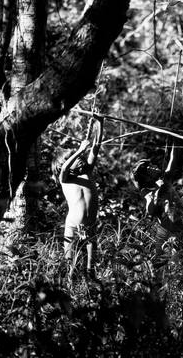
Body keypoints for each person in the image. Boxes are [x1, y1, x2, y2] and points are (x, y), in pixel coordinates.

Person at [52, 116, 104, 277]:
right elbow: (64, 169)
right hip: (73, 226)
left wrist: (100, 123)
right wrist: (80, 150)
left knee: (91, 268)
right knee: (70, 266)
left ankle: (91, 290)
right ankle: (69, 288)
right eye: (76, 159)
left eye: (81, 157)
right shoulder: (65, 179)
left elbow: (96, 147)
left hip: (90, 225)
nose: (81, 159)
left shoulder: (87, 173)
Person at [132, 144, 183, 277]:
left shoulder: (164, 179)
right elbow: (150, 210)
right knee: (160, 265)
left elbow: (173, 159)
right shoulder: (147, 191)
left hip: (181, 226)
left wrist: (175, 142)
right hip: (166, 231)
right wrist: (158, 193)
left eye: (151, 164)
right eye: (148, 168)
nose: (153, 166)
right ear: (146, 176)